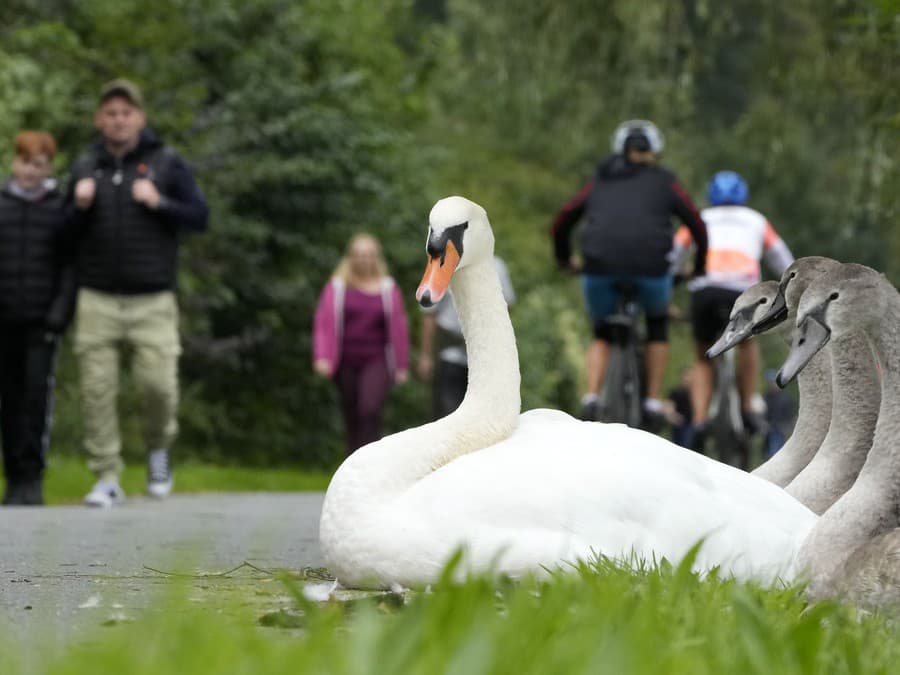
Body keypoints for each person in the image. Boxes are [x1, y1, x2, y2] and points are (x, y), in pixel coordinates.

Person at [68, 79, 209, 507]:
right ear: (99, 120)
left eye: (125, 112)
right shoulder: (84, 166)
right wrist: (76, 206)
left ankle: (157, 449)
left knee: (158, 388)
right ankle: (107, 476)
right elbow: (59, 234)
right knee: (97, 390)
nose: (118, 119)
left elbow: (199, 216)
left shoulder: (165, 162)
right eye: (110, 113)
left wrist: (159, 202)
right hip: (96, 297)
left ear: (139, 119)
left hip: (153, 299)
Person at [550, 119, 708, 427]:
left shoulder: (599, 181)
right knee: (657, 326)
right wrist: (699, 267)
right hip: (651, 270)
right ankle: (650, 402)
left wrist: (565, 259)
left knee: (601, 332)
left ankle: (592, 398)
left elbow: (564, 218)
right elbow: (698, 226)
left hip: (599, 268)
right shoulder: (665, 182)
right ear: (654, 151)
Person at [670, 171, 793, 441]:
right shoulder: (757, 220)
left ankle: (700, 420)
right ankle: (748, 405)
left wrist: (674, 279)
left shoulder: (700, 217)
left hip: (705, 290)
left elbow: (675, 253)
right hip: (743, 290)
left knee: (703, 357)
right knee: (748, 343)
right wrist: (792, 289)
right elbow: (782, 259)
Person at [0, 131, 77, 505]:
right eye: (26, 162)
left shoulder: (59, 208)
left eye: (40, 165)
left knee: (35, 398)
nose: (31, 171)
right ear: (14, 162)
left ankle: (31, 477)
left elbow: (69, 267)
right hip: (5, 321)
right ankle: (12, 474)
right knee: (8, 399)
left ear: (49, 167)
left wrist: (59, 314)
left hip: (41, 322)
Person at [313, 233, 410, 455]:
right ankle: (351, 463)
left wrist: (402, 365)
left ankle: (370, 459)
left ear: (376, 258)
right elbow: (323, 324)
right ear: (350, 258)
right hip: (345, 359)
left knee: (369, 409)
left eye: (368, 255)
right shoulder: (337, 287)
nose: (363, 260)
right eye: (358, 255)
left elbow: (399, 329)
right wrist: (322, 357)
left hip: (376, 359)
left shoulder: (387, 289)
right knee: (351, 413)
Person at [417, 256, 515, 419]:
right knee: (448, 415)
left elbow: (507, 309)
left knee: (484, 416)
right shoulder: (441, 267)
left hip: (486, 358)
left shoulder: (497, 266)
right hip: (450, 355)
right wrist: (425, 356)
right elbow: (429, 316)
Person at [763, 369, 796, 458]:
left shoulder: (786, 399)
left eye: (772, 383)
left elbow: (791, 416)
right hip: (769, 432)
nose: (771, 385)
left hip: (781, 431)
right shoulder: (765, 398)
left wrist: (788, 429)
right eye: (769, 383)